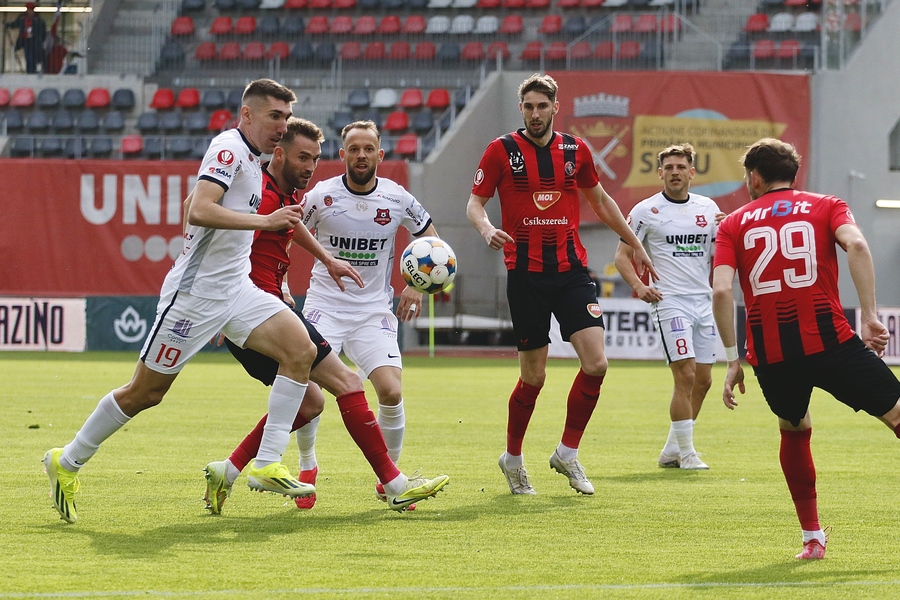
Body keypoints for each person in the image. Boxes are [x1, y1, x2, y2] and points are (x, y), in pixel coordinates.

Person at [42, 79, 323, 524]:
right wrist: (263, 220)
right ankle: (67, 460)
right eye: (275, 116)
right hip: (193, 297)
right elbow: (199, 209)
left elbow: (195, 201)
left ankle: (267, 463)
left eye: (287, 118)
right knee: (145, 393)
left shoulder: (253, 158)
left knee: (301, 350)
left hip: (236, 288)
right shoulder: (229, 149)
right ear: (247, 114)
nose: (282, 126)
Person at [203, 118, 449, 514]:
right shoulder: (299, 196)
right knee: (331, 389)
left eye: (369, 149)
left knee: (351, 396)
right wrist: (231, 303)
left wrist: (411, 284)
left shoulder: (391, 197)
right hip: (308, 308)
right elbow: (251, 237)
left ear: (380, 154)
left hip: (367, 311)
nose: (362, 155)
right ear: (344, 154)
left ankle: (230, 469)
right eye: (353, 149)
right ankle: (355, 476)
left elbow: (289, 225)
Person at [466, 73, 657, 495]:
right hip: (526, 275)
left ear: (555, 106)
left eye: (542, 106)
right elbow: (475, 203)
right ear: (522, 109)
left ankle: (567, 452)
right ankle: (512, 458)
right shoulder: (501, 150)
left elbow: (601, 200)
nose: (535, 114)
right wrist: (485, 229)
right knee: (534, 378)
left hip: (571, 271)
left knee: (597, 364)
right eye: (528, 106)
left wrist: (633, 242)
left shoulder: (575, 149)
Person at [712, 137, 900, 559]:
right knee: (896, 415)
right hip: (830, 339)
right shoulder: (825, 205)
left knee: (793, 427)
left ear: (755, 177)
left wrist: (731, 359)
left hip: (772, 352)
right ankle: (812, 537)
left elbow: (722, 291)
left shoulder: (734, 222)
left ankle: (812, 538)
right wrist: (870, 315)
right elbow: (858, 245)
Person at [614, 143, 719, 471]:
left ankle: (672, 450)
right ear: (659, 173)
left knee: (703, 380)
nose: (674, 172)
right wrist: (638, 286)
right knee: (685, 375)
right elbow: (621, 256)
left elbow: (722, 252)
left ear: (692, 172)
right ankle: (687, 454)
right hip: (669, 301)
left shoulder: (708, 208)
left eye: (680, 167)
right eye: (668, 168)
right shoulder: (646, 211)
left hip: (703, 301)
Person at [6, 2, 47, 73]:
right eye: (29, 9)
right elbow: (15, 24)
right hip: (26, 42)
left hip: (35, 43)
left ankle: (33, 71)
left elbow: (43, 32)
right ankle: (30, 71)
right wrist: (7, 25)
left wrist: (41, 40)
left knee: (34, 58)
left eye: (31, 10)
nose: (30, 11)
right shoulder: (22, 18)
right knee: (29, 58)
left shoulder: (38, 20)